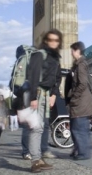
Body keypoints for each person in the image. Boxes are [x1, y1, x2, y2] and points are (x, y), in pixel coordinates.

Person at [25, 29, 63, 173]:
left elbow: (57, 77)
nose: (53, 42)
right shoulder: (38, 55)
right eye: (51, 40)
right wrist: (33, 97)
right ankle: (35, 161)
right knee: (36, 127)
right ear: (46, 41)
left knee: (41, 127)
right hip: (38, 94)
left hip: (47, 96)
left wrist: (54, 94)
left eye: (56, 40)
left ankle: (39, 158)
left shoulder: (55, 58)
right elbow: (33, 76)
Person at [65, 41, 92, 160]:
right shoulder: (78, 64)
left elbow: (83, 83)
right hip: (80, 103)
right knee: (77, 128)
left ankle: (84, 153)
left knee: (79, 129)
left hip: (81, 103)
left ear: (77, 50)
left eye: (72, 50)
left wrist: (74, 96)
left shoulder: (81, 65)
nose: (71, 52)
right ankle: (79, 150)